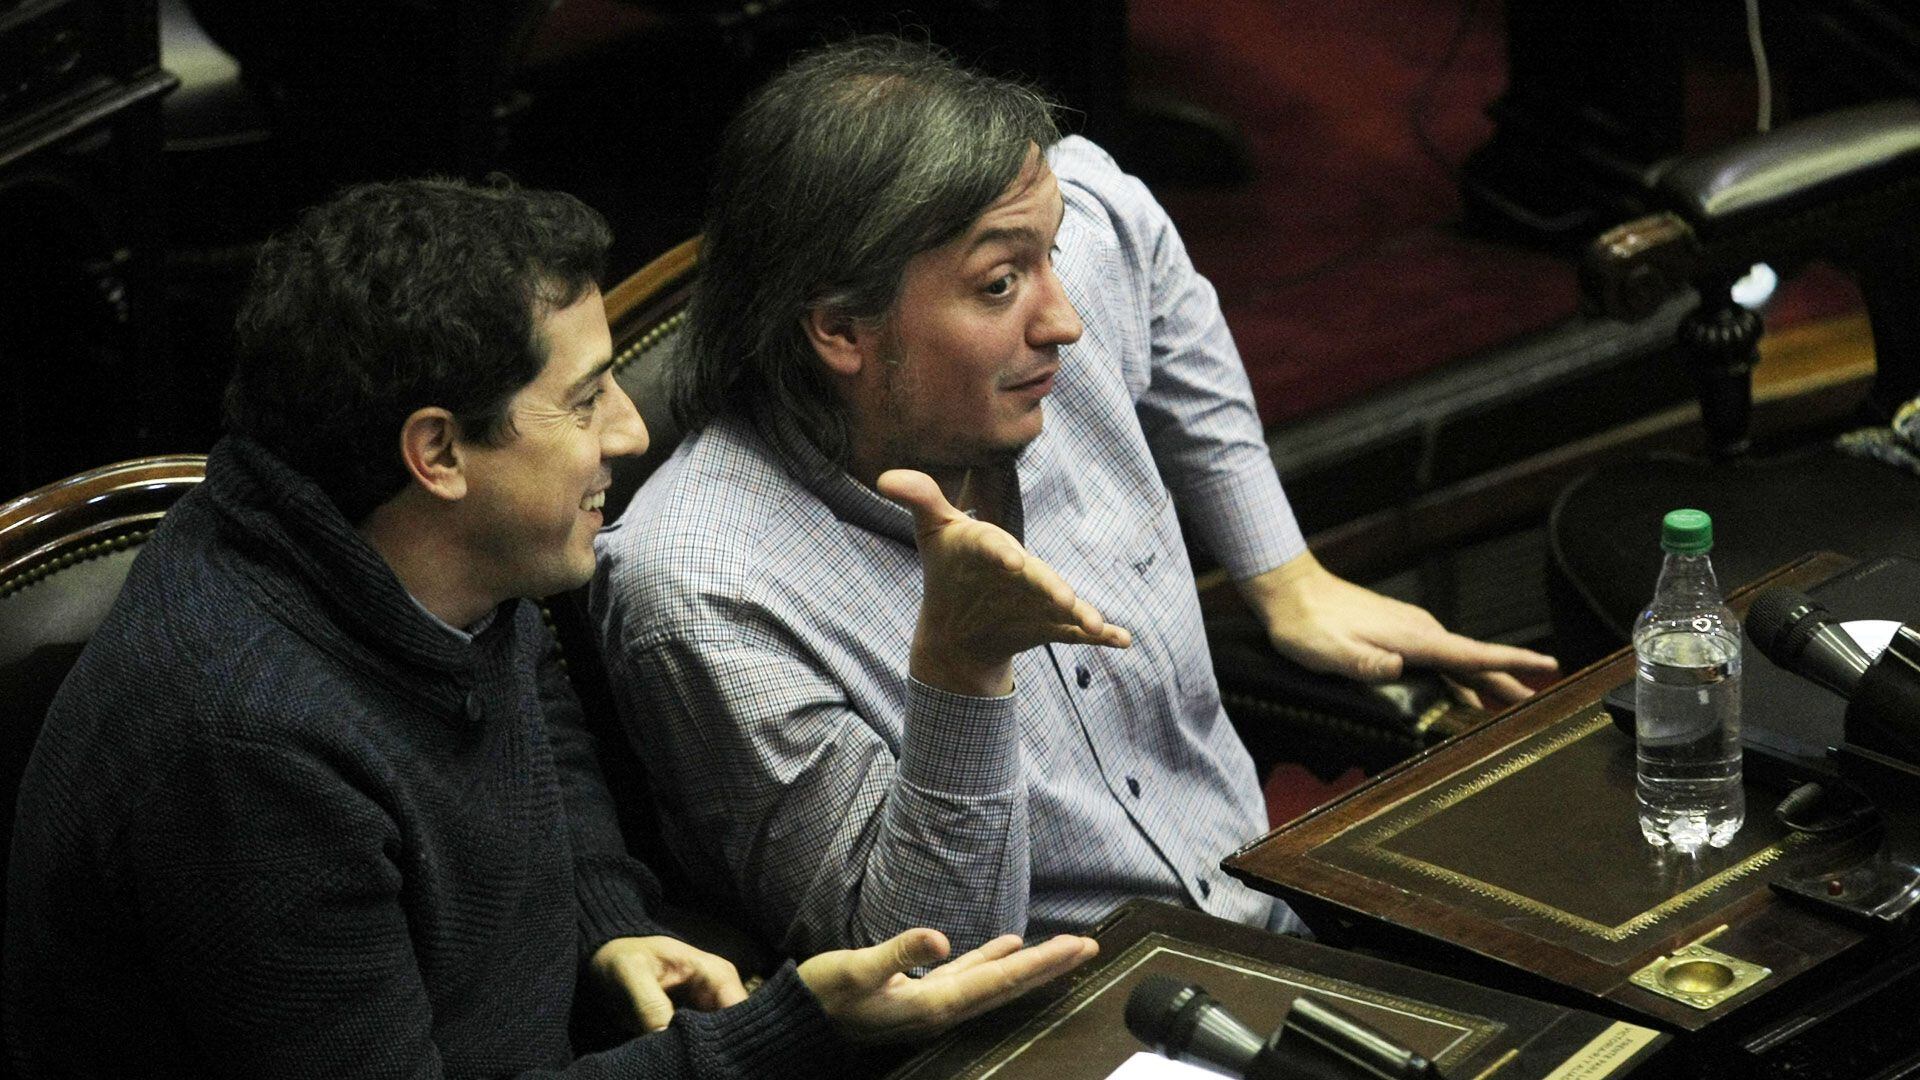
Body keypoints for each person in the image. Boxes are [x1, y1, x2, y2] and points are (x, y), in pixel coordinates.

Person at [2, 177, 1094, 1079]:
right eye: (584, 400)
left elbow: (535, 719)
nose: (629, 431)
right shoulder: (245, 750)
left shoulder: (440, 553)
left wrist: (606, 923)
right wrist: (788, 1033)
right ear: (438, 453)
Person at [592, 37, 1560, 960]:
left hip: (1276, 924)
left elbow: (1125, 218)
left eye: (1048, 254)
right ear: (842, 329)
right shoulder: (705, 592)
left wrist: (1282, 570)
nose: (1064, 320)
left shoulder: (1051, 289)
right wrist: (961, 671)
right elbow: (920, 970)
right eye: (1000, 284)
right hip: (1069, 1022)